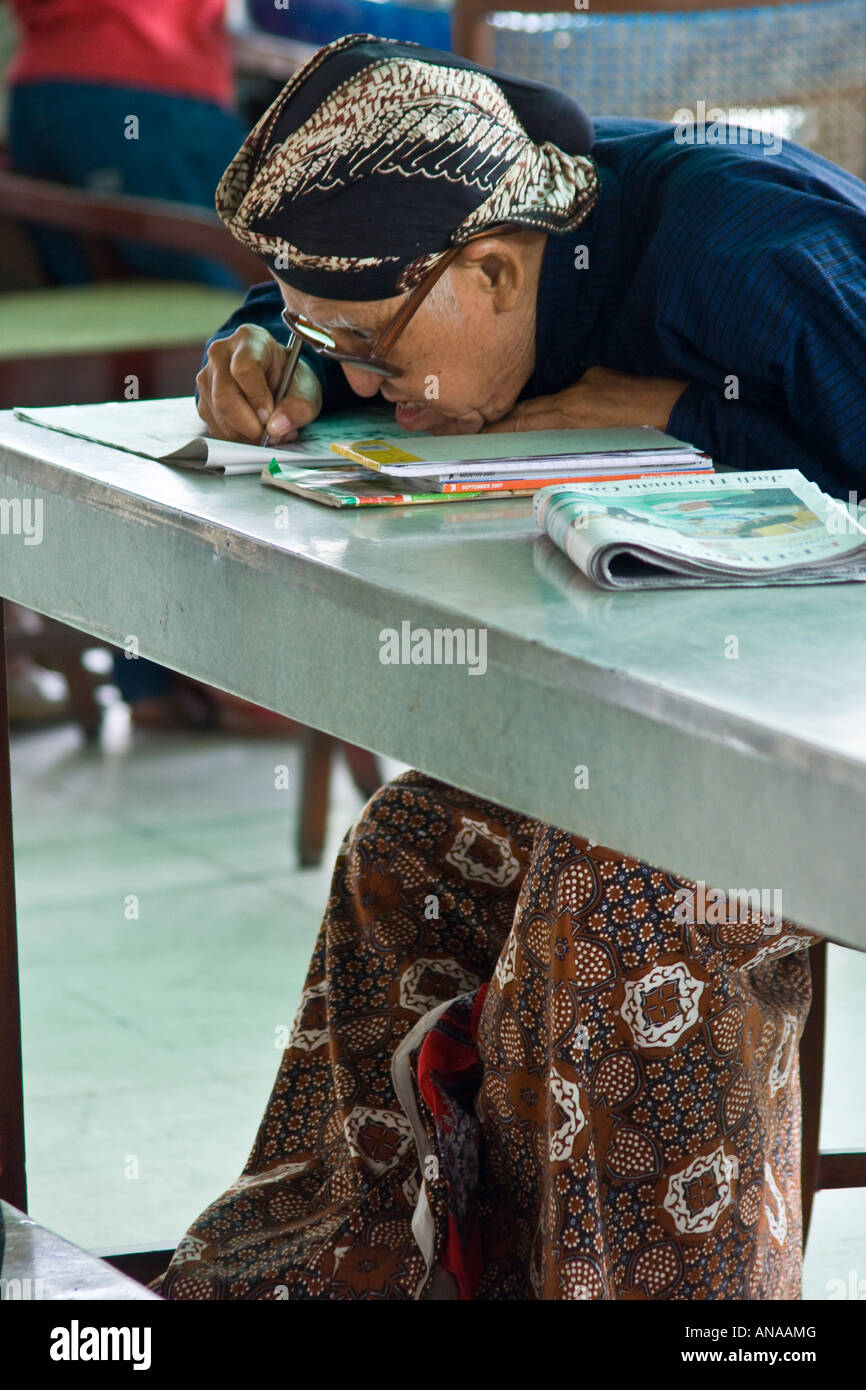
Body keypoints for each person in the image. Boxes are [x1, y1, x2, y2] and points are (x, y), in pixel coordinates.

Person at [152, 33, 865, 1299]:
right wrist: (272, 351)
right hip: (683, 727)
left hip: (818, 756)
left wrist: (685, 418)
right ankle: (343, 1275)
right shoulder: (477, 226)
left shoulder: (756, 262)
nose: (366, 385)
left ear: (489, 266)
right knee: (407, 848)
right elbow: (321, 305)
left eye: (368, 350)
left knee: (627, 890)